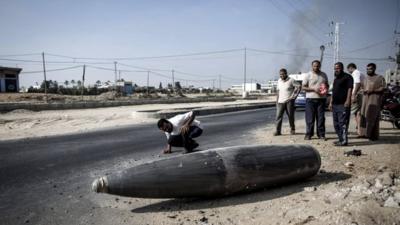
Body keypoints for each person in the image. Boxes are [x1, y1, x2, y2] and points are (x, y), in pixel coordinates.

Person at [302, 60, 329, 140]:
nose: (316, 67)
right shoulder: (308, 75)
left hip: (321, 99)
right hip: (310, 99)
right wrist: (314, 89)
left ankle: (321, 134)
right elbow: (303, 87)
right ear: (312, 66)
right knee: (310, 118)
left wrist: (325, 89)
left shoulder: (324, 75)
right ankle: (308, 134)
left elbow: (326, 85)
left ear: (320, 66)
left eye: (317, 66)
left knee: (321, 118)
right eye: (314, 66)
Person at [359, 63, 386, 141]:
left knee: (373, 117)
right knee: (364, 116)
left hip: (374, 100)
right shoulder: (365, 78)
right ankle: (364, 134)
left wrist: (373, 90)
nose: (368, 70)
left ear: (374, 69)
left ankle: (373, 135)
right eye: (367, 69)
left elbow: (383, 88)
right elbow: (362, 88)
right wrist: (363, 91)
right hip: (365, 100)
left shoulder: (379, 78)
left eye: (370, 69)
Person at [329, 62, 353, 146]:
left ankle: (344, 141)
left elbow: (350, 89)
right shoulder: (336, 79)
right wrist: (331, 102)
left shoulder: (347, 77)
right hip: (335, 104)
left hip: (343, 104)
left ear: (342, 68)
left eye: (338, 68)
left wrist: (348, 100)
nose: (336, 69)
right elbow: (333, 91)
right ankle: (340, 139)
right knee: (336, 124)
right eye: (335, 68)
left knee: (342, 124)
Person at [274, 68, 301, 136]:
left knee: (290, 116)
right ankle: (278, 131)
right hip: (280, 102)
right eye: (280, 74)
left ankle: (292, 129)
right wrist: (277, 101)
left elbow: (299, 86)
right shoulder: (279, 81)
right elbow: (278, 91)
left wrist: (295, 96)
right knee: (278, 117)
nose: (281, 75)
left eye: (283, 74)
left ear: (286, 74)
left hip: (289, 102)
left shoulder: (291, 80)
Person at [347, 63, 365, 135]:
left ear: (350, 68)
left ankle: (360, 131)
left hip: (358, 94)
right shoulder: (360, 73)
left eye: (348, 69)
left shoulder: (355, 73)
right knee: (357, 113)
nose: (348, 71)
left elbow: (357, 83)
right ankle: (359, 131)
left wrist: (354, 95)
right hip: (360, 93)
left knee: (356, 113)